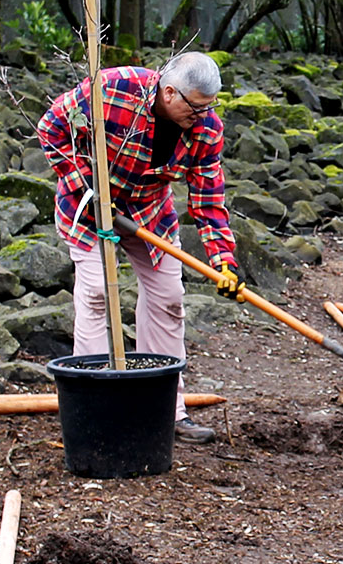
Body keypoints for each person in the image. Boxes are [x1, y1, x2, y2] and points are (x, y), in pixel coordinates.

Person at [38, 52, 239, 443]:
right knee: (97, 293)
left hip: (148, 211)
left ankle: (166, 411)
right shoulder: (113, 88)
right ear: (169, 92)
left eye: (209, 109)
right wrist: (87, 188)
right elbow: (51, 128)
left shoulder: (206, 129)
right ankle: (95, 406)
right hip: (89, 205)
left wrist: (224, 262)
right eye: (196, 108)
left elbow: (209, 201)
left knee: (169, 298)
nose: (202, 117)